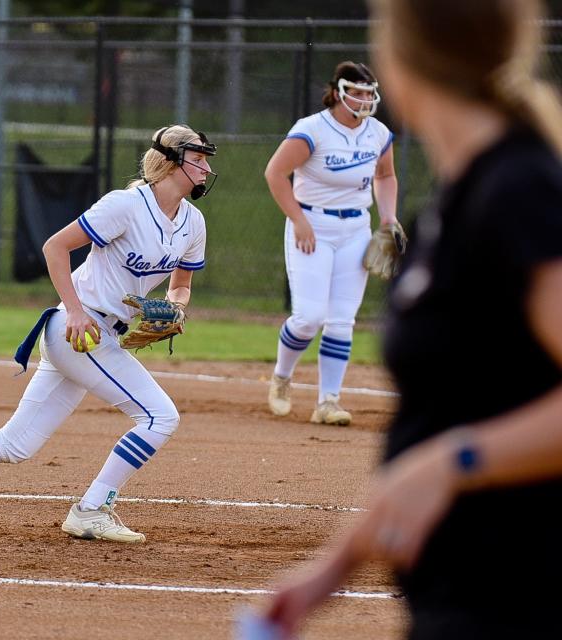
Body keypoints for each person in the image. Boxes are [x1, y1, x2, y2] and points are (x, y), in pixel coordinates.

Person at [260, 0, 562, 638]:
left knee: (333, 318)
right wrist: (331, 570)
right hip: (456, 591)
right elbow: (435, 425)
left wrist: (458, 459)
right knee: (316, 316)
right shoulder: (458, 201)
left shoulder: (522, 192)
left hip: (521, 591)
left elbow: (444, 451)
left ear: (401, 66)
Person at [0, 124, 216, 543]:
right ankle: (92, 509)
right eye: (197, 157)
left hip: (97, 337)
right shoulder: (126, 205)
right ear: (172, 161)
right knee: (160, 417)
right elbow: (55, 246)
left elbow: (182, 283)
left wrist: (177, 308)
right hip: (79, 332)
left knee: (15, 444)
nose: (206, 167)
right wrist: (73, 310)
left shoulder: (192, 223)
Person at [264, 60, 398, 426]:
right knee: (309, 317)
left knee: (341, 321)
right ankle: (282, 377)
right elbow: (275, 173)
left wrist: (388, 218)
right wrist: (298, 219)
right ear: (338, 92)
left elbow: (385, 176)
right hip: (312, 224)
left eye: (369, 93)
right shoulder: (312, 129)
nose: (364, 99)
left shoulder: (377, 133)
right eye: (356, 92)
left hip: (356, 228)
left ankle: (328, 401)